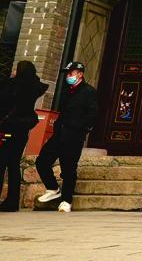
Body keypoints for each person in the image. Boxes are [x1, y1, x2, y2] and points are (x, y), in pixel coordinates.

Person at [0, 61, 46, 213]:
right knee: (14, 165)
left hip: (7, 127)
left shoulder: (10, 86)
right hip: (22, 130)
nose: (13, 70)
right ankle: (12, 201)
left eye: (15, 68)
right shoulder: (34, 87)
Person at [35, 60, 98, 213]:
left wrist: (81, 128)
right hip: (60, 133)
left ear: (80, 74)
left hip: (74, 136)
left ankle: (66, 200)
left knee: (69, 169)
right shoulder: (66, 90)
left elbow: (92, 114)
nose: (68, 76)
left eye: (71, 73)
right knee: (42, 161)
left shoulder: (88, 92)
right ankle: (53, 188)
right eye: (67, 74)